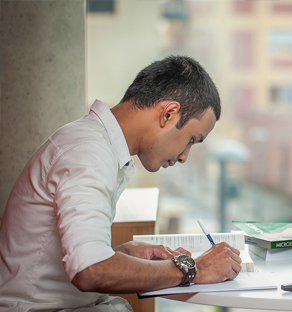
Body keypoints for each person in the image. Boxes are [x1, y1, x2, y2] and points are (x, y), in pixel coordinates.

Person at [0, 55, 242, 311]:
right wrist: (192, 270)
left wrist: (122, 253)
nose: (184, 156)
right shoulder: (89, 154)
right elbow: (90, 270)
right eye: (192, 139)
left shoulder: (95, 145)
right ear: (169, 114)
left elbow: (77, 260)